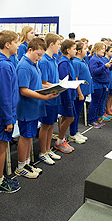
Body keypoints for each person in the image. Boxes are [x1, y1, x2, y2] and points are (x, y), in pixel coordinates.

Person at [15, 37, 58, 178]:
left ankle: (27, 162)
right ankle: (21, 166)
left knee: (30, 136)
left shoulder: (33, 64)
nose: (40, 58)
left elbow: (38, 84)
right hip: (27, 107)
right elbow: (24, 90)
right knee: (25, 136)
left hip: (34, 107)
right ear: (30, 50)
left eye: (41, 55)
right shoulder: (24, 65)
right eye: (38, 55)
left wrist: (52, 87)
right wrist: (44, 97)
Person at [0, 30, 21, 193]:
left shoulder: (4, 61)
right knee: (1, 147)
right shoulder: (3, 65)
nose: (18, 45)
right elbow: (4, 95)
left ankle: (0, 177)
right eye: (16, 42)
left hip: (4, 114)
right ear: (7, 44)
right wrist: (8, 119)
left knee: (4, 145)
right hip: (3, 115)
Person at [38, 33, 63, 164]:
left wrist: (62, 83)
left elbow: (54, 79)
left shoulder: (53, 59)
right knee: (46, 125)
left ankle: (47, 149)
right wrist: (57, 85)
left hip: (55, 97)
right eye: (58, 44)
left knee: (51, 124)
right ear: (51, 44)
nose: (60, 47)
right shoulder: (43, 60)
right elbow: (43, 82)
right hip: (48, 98)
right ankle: (43, 152)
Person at [55, 40, 77, 152]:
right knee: (70, 117)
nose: (76, 51)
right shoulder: (63, 63)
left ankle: (61, 138)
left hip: (70, 95)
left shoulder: (68, 61)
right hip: (66, 96)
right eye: (74, 49)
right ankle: (59, 140)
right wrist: (68, 100)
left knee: (66, 117)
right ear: (68, 50)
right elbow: (64, 83)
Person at [69, 41, 92, 144]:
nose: (87, 50)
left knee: (77, 114)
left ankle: (76, 132)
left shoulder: (82, 61)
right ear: (79, 51)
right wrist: (80, 93)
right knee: (75, 114)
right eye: (85, 48)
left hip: (83, 93)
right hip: (79, 94)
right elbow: (76, 79)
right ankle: (72, 134)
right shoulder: (76, 62)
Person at [88, 42, 111, 128]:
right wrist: (105, 66)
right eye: (102, 49)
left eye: (104, 49)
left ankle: (96, 118)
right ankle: (92, 120)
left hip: (103, 84)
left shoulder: (102, 59)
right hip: (97, 84)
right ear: (97, 49)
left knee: (99, 102)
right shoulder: (94, 59)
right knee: (95, 103)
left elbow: (109, 68)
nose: (104, 51)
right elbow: (94, 72)